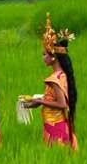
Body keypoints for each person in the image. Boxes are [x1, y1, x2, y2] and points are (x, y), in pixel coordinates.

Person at [21, 14, 79, 149]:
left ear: (53, 57)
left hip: (55, 125)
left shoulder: (54, 79)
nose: (42, 57)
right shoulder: (62, 75)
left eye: (44, 54)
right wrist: (38, 101)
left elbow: (61, 103)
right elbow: (55, 99)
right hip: (56, 123)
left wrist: (39, 101)